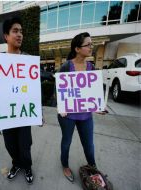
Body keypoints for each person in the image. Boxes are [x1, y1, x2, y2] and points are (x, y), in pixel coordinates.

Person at [0, 17, 34, 184]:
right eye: (15, 31)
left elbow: (34, 89)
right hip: (6, 114)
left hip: (23, 113)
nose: (19, 35)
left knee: (25, 144)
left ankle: (27, 166)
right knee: (10, 145)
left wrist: (38, 112)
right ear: (6, 36)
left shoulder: (28, 60)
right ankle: (16, 164)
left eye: (21, 31)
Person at [57, 32, 97, 183]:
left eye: (91, 44)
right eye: (88, 45)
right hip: (68, 116)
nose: (91, 47)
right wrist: (61, 107)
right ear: (77, 49)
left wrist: (98, 106)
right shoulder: (66, 66)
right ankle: (65, 165)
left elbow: (93, 91)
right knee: (66, 142)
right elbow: (59, 88)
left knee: (89, 144)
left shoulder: (91, 67)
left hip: (86, 116)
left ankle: (93, 167)